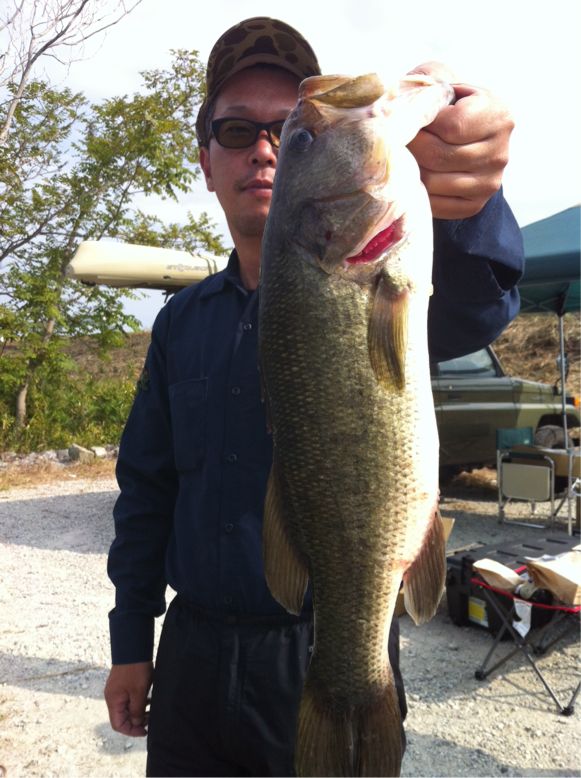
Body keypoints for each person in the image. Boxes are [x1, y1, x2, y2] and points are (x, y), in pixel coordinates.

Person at [104, 16, 524, 777]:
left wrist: (470, 203)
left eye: (286, 132)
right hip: (191, 654)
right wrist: (130, 639)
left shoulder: (395, 280)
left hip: (318, 640)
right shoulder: (180, 323)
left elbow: (478, 304)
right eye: (238, 131)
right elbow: (145, 489)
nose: (266, 149)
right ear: (205, 163)